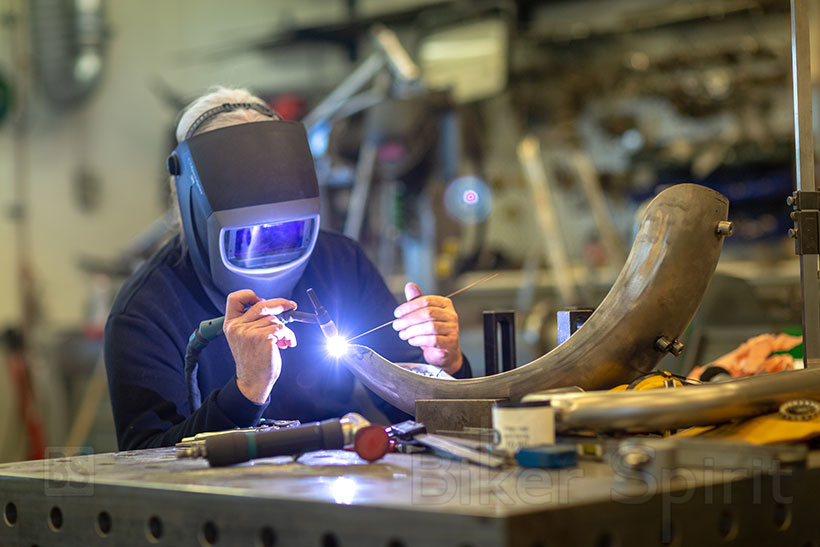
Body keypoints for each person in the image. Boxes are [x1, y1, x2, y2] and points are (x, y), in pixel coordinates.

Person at [104, 87, 471, 450]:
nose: (273, 249)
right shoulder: (147, 310)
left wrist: (444, 368)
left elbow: (424, 418)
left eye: (290, 231)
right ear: (198, 213)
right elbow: (144, 459)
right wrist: (246, 393)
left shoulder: (340, 264)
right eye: (248, 237)